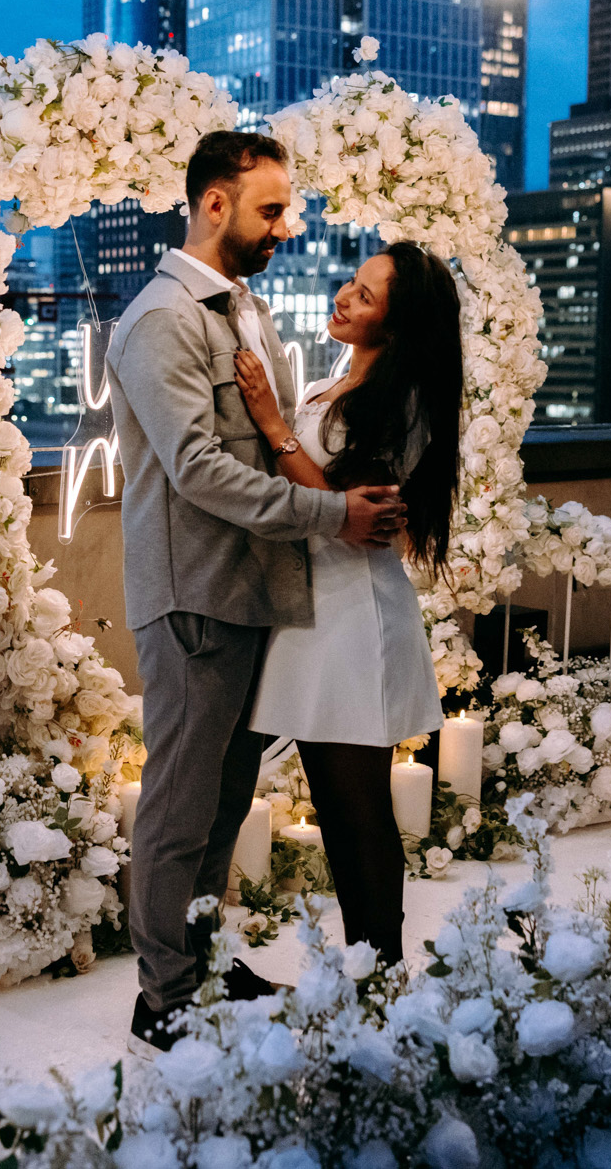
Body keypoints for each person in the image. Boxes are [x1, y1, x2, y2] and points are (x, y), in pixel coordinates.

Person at [106, 130, 408, 1053]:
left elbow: (274, 439)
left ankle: (198, 964)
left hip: (245, 597)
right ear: (213, 205)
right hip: (196, 595)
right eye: (272, 208)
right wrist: (331, 520)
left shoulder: (240, 308)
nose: (287, 226)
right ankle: (163, 999)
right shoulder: (164, 318)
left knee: (222, 803)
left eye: (288, 209)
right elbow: (197, 469)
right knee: (179, 803)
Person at [231, 239, 463, 967]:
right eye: (351, 282)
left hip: (353, 618)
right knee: (340, 808)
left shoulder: (404, 400)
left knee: (356, 811)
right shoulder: (339, 385)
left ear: (398, 324)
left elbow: (347, 509)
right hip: (316, 610)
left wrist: (272, 422)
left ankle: (380, 972)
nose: (344, 296)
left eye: (365, 295)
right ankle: (374, 970)